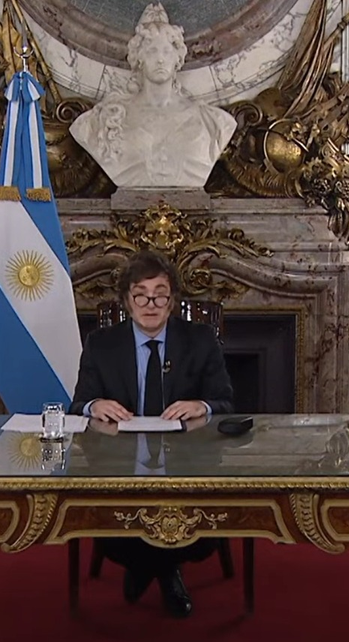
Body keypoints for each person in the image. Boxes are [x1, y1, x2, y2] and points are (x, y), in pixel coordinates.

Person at [69, 250, 234, 617]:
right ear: (127, 301)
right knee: (114, 521)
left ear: (172, 301)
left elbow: (225, 401)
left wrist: (202, 405)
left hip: (187, 465)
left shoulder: (200, 340)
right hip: (119, 466)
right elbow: (78, 404)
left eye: (160, 296)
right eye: (141, 296)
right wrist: (95, 405)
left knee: (197, 528)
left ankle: (145, 568)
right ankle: (166, 572)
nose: (150, 305)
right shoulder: (101, 343)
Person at [69, 3, 236, 188]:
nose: (160, 59)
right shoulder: (105, 120)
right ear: (139, 58)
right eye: (152, 51)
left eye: (167, 51)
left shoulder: (213, 121)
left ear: (178, 58)